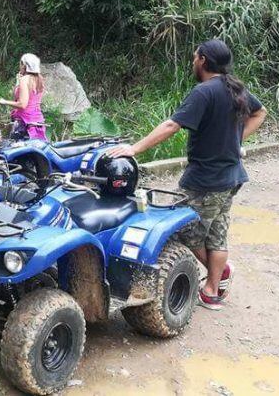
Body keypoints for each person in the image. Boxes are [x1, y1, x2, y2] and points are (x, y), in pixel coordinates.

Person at [108, 39, 266, 311]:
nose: (193, 61)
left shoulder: (204, 92)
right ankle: (213, 289)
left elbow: (172, 125)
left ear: (203, 60)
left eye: (195, 57)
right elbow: (260, 112)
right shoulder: (235, 88)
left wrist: (133, 149)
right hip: (231, 178)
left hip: (206, 180)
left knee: (185, 231)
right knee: (216, 234)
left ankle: (215, 280)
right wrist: (236, 142)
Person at [0, 53, 47, 140]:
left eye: (21, 64)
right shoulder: (40, 79)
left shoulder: (25, 80)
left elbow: (22, 104)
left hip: (24, 122)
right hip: (38, 120)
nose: (19, 67)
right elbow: (22, 97)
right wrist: (18, 82)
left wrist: (5, 102)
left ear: (24, 66)